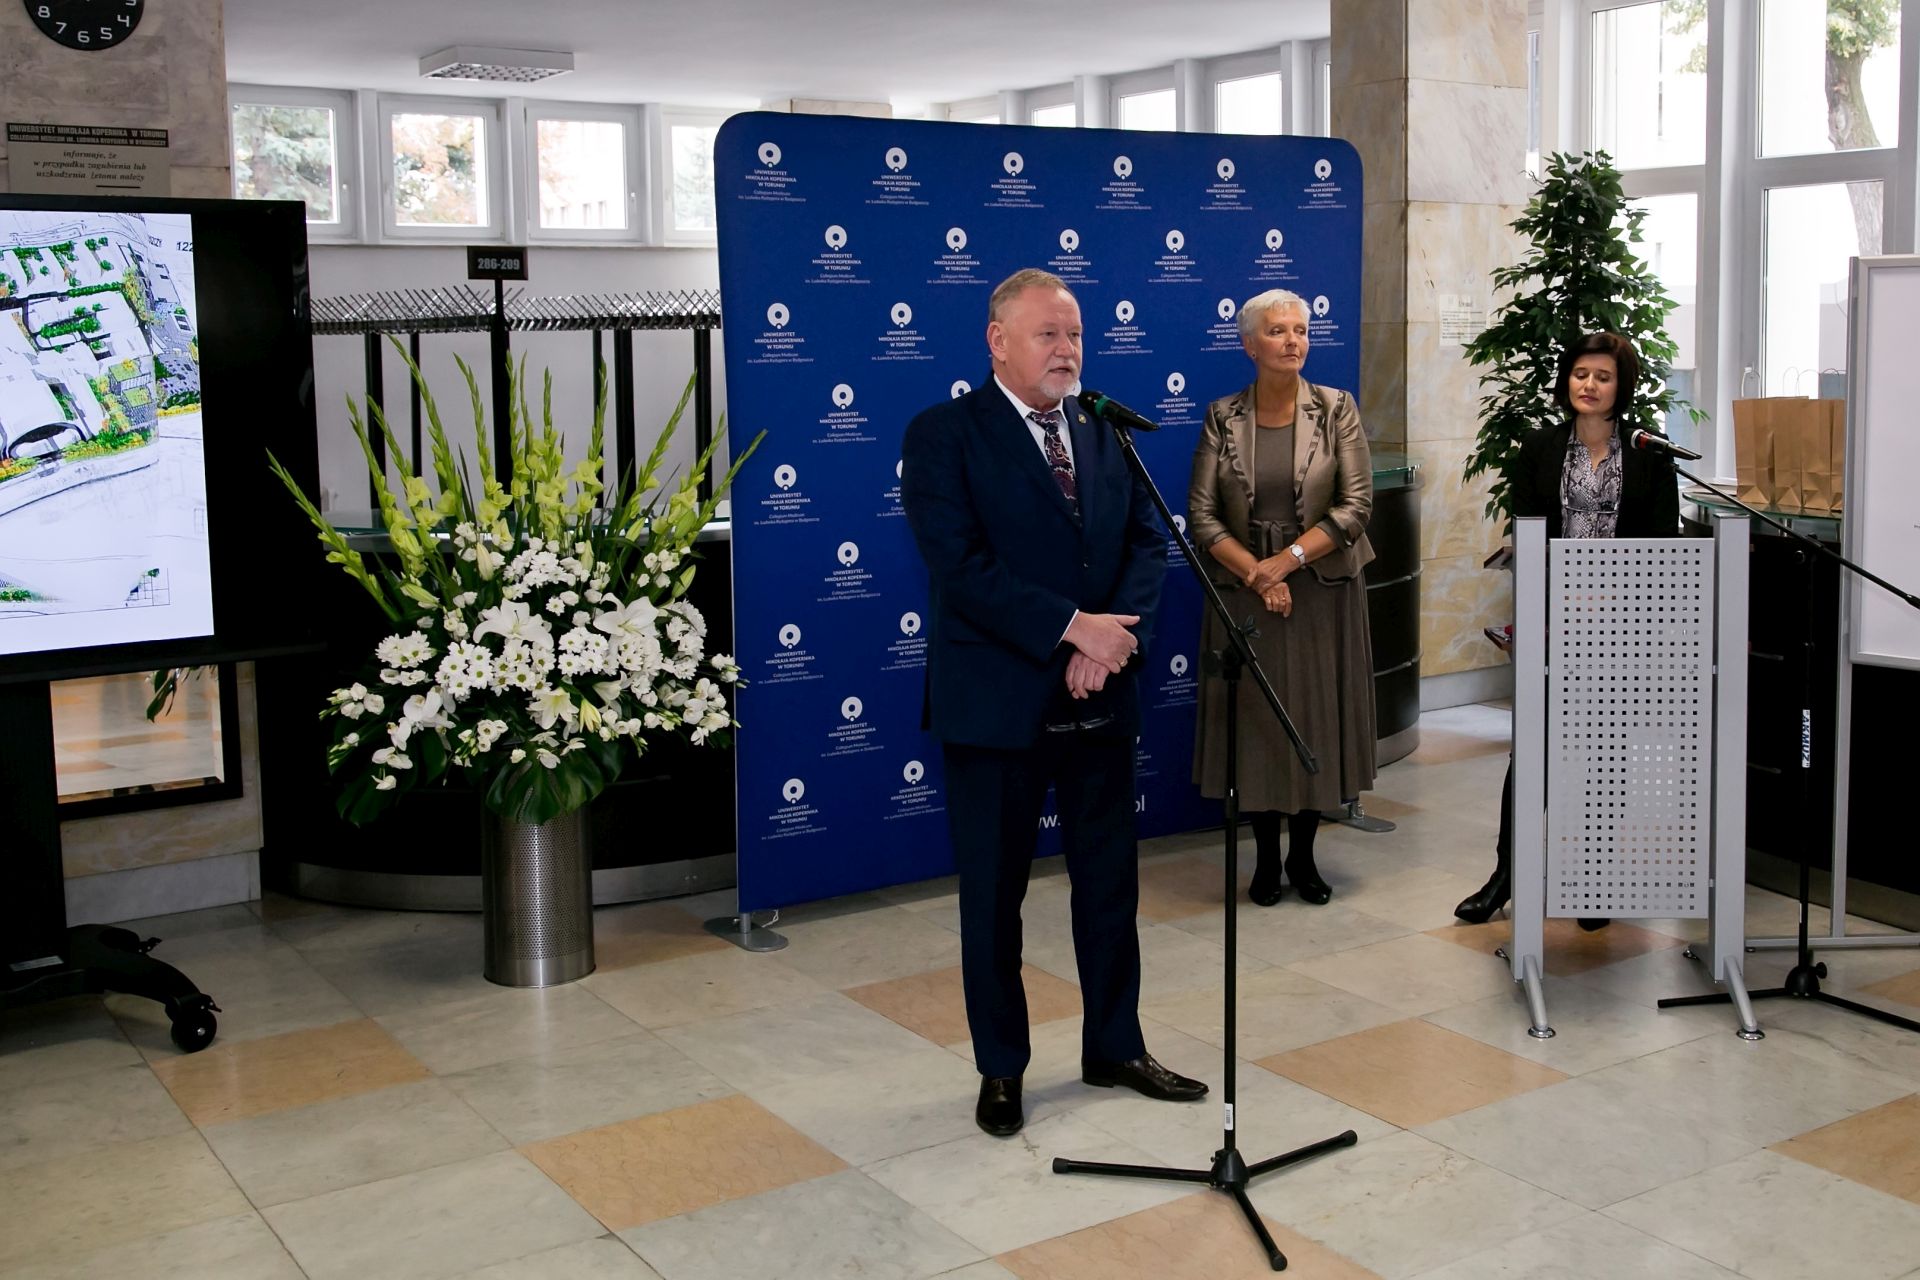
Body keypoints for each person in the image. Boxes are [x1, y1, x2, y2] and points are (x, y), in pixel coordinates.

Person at [900, 268, 1206, 1138]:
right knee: (994, 898)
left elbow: (1146, 543)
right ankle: (1001, 1068)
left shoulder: (1105, 430)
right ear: (998, 342)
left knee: (1109, 885)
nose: (1067, 349)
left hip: (1099, 696)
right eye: (1048, 334)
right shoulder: (944, 435)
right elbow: (960, 567)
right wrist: (1075, 632)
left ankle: (1115, 1045)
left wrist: (1109, 645)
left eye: (1074, 334)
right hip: (996, 704)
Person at [1454, 330, 1682, 924]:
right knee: (1531, 750)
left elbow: (1663, 543)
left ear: (1621, 387)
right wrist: (1556, 596)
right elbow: (1528, 528)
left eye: (1603, 377)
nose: (1590, 385)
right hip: (1554, 621)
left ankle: (1595, 880)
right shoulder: (1541, 446)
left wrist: (1617, 598)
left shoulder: (1650, 455)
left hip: (1622, 631)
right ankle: (1506, 876)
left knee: (1606, 756)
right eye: (1581, 374)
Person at [1186, 288, 1376, 908]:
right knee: (1258, 725)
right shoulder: (1222, 416)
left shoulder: (1336, 408)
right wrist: (1259, 575)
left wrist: (1286, 563)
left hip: (1320, 589)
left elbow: (1355, 506)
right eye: (1277, 331)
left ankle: (1304, 857)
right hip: (1246, 592)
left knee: (1315, 720)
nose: (1293, 341)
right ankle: (1266, 859)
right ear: (1249, 344)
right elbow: (1202, 515)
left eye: (1301, 330)